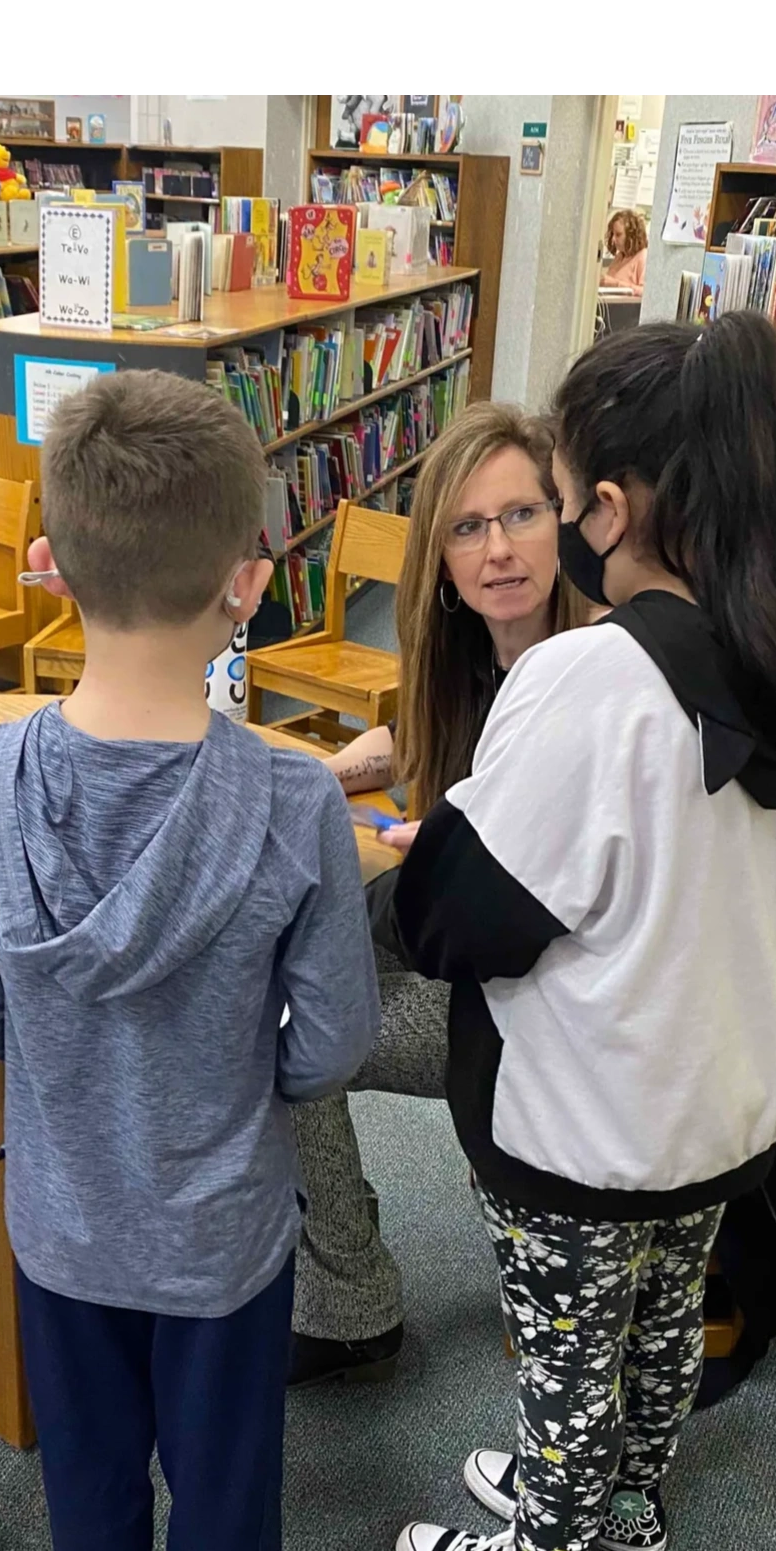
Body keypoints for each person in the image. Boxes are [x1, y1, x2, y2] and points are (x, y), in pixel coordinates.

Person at [383, 315, 776, 1551]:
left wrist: (413, 862)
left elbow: (458, 916)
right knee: (663, 1313)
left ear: (607, 505)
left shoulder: (592, 680)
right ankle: (631, 1498)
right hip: (726, 1107)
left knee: (562, 1343)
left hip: (585, 1121)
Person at [0, 371, 378, 1551]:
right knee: (228, 1462)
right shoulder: (298, 797)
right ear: (248, 583)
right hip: (226, 1230)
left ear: (47, 564)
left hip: (62, 1218)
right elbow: (336, 1039)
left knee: (85, 1456)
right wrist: (257, 1088)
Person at [288, 404, 590, 1384]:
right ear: (443, 560)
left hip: (540, 1014)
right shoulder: (477, 662)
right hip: (482, 961)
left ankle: (345, 1299)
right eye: (468, 527)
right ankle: (343, 1283)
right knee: (300, 945)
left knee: (283, 1021)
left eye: (524, 515)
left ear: (570, 519)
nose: (499, 549)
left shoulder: (595, 679)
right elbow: (416, 744)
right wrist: (324, 773)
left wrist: (458, 858)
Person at [600, 208, 647, 293]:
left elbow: (645, 292)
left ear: (631, 235)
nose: (613, 239)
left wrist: (616, 284)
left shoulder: (643, 257)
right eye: (613, 234)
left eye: (618, 235)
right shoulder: (620, 257)